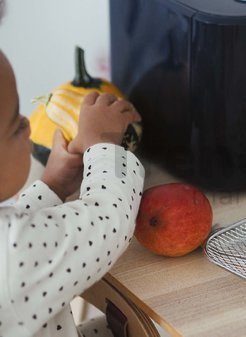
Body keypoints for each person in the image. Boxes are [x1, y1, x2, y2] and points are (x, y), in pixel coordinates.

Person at [0, 1, 145, 336]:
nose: (27, 123)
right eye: (14, 125)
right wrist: (105, 143)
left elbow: (21, 232)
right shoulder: (9, 258)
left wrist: (51, 185)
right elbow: (109, 221)